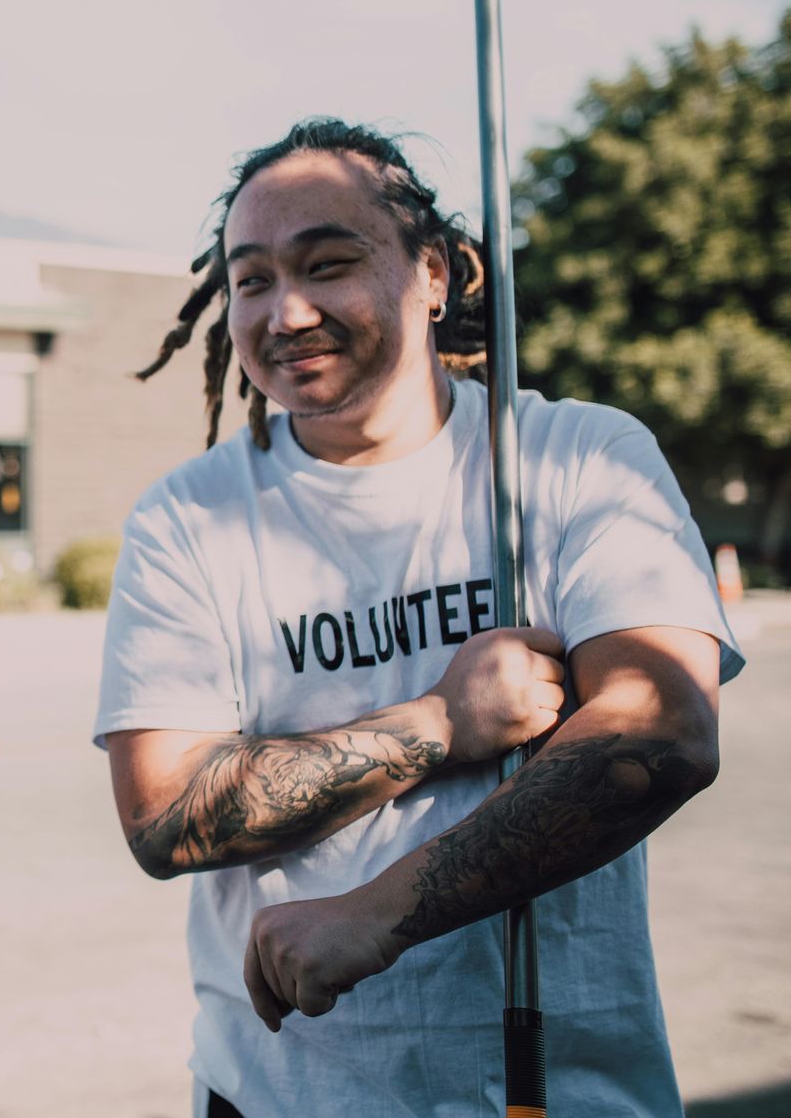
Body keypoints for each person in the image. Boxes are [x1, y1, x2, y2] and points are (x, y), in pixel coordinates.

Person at [97, 119, 742, 1117]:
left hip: (561, 1090)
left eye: (328, 263)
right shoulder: (190, 514)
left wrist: (379, 912)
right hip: (282, 1092)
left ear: (432, 273)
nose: (287, 309)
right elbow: (164, 813)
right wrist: (440, 722)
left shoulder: (577, 456)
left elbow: (660, 731)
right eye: (253, 278)